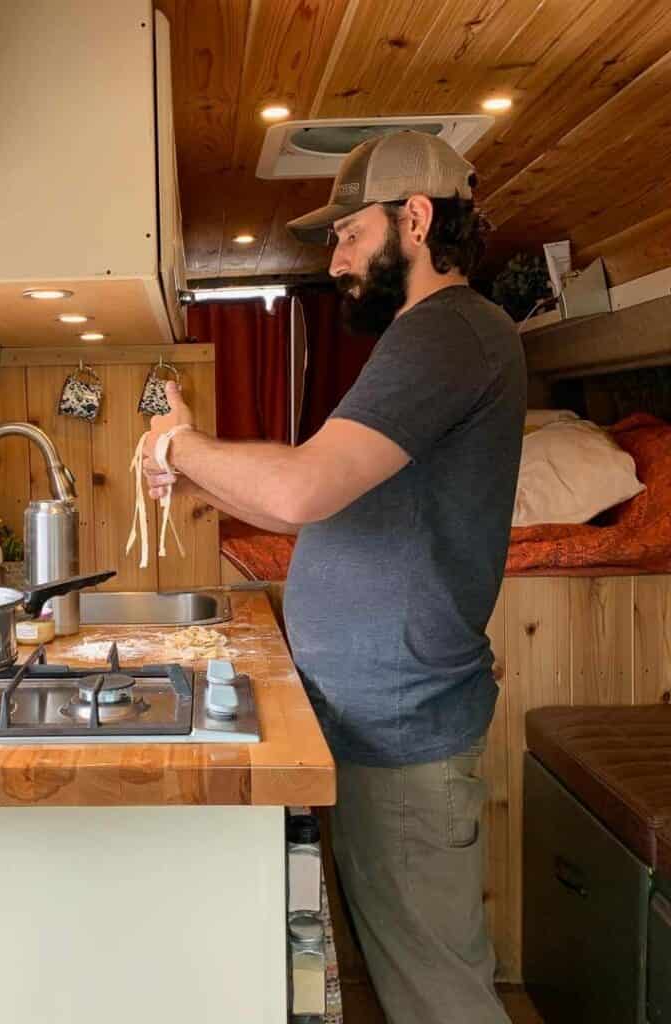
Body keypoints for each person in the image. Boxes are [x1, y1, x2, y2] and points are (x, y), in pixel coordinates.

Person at [142, 130, 526, 1024]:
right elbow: (293, 505)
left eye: (350, 233)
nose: (338, 257)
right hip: (375, 712)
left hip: (400, 721)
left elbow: (301, 487)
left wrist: (176, 442)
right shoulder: (429, 339)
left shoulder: (448, 332)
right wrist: (190, 461)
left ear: (417, 219)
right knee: (398, 979)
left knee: (438, 995)